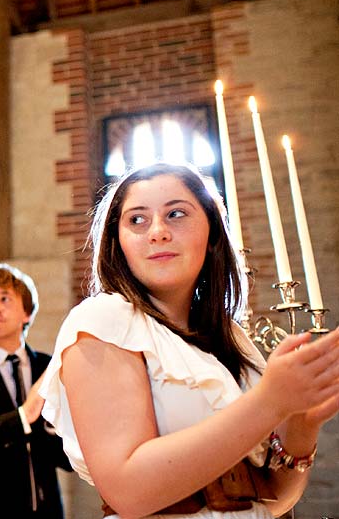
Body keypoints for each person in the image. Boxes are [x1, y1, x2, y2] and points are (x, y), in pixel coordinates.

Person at [39, 162, 339, 518]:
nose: (158, 232)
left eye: (176, 214)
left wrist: (304, 425)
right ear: (117, 243)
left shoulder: (232, 337)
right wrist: (270, 402)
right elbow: (129, 492)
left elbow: (275, 499)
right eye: (137, 220)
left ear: (212, 234)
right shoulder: (103, 320)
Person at [0, 264, 70, 518]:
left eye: (5, 299)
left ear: (27, 312)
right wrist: (24, 416)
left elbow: (67, 457)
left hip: (48, 510)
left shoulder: (48, 366)